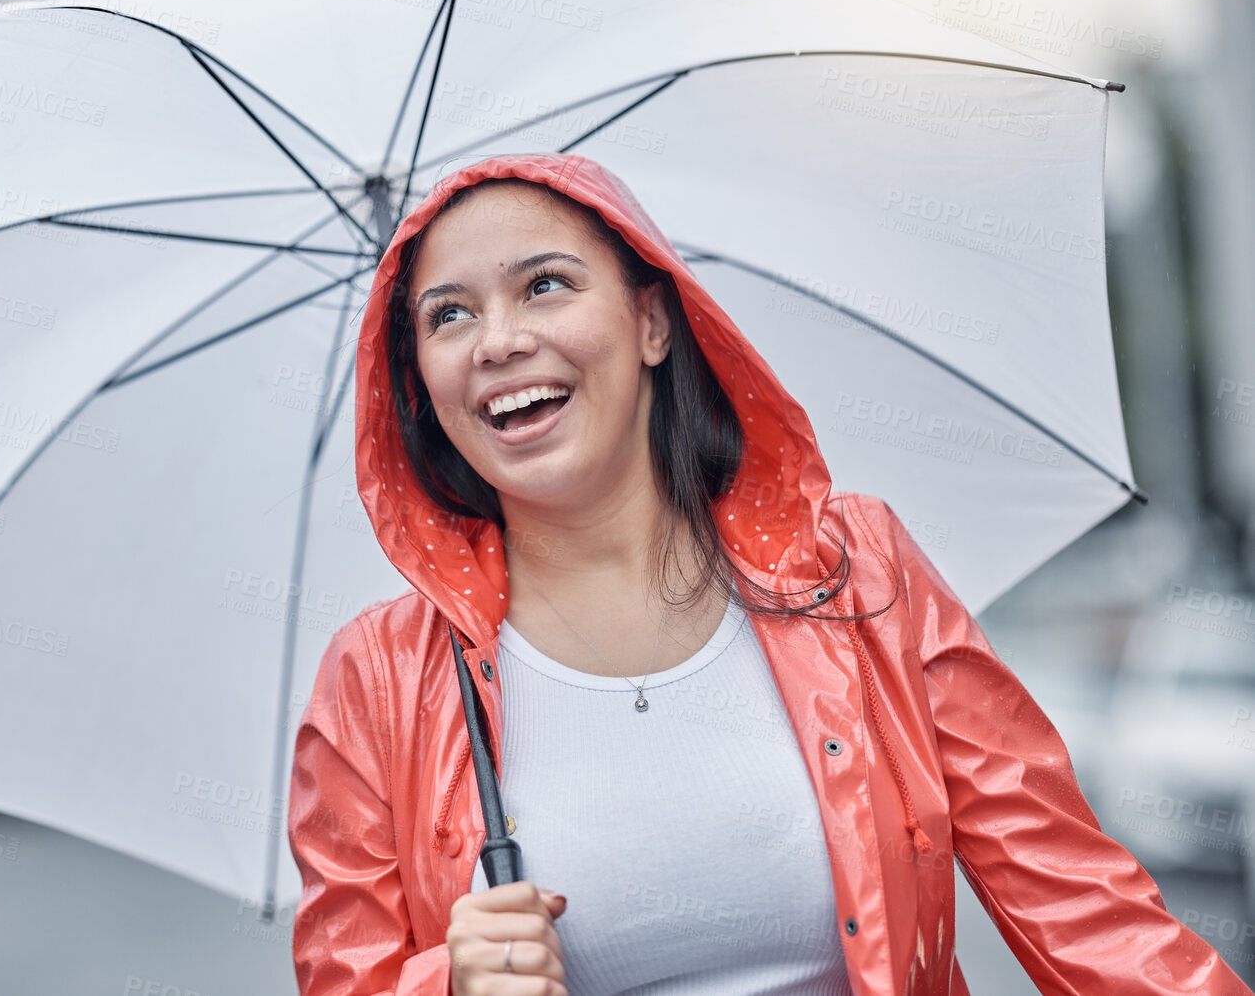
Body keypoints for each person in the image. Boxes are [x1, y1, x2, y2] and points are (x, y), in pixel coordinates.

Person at [286, 152, 1250, 995]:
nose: (496, 340)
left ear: (653, 321)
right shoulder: (377, 679)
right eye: (446, 313)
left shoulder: (860, 574)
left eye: (544, 285)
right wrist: (444, 983)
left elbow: (1083, 908)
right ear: (417, 376)